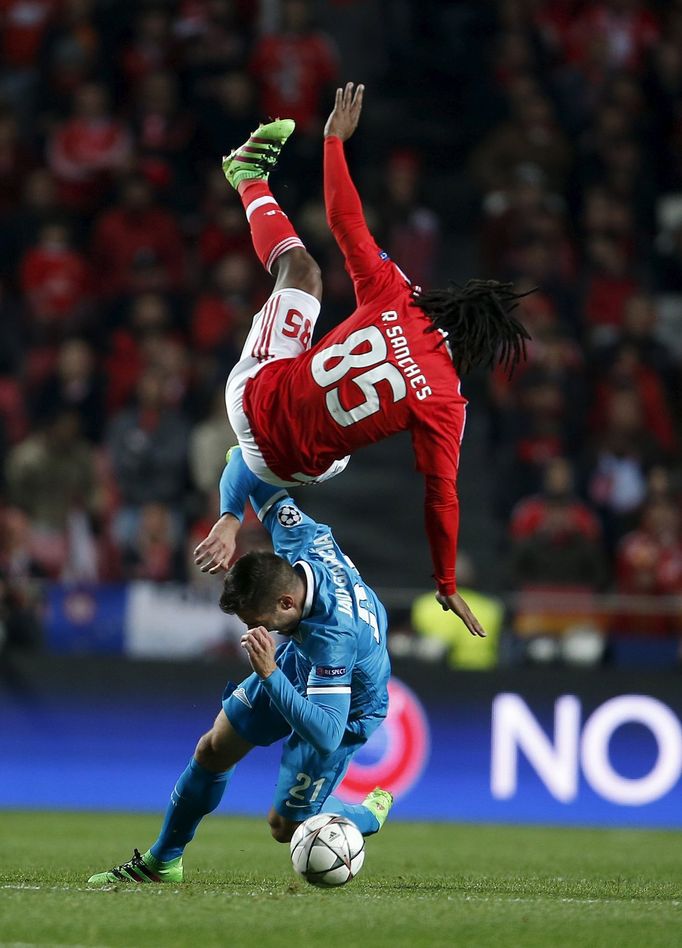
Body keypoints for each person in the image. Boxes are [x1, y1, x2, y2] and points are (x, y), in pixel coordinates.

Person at [195, 83, 530, 637]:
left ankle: (248, 176)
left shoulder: (400, 294)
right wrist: (446, 584)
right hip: (295, 465)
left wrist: (333, 142)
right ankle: (235, 507)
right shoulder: (448, 402)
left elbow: (344, 220)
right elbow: (441, 497)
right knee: (327, 453)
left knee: (302, 274)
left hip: (253, 395)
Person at [88, 446, 393, 884]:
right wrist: (230, 518)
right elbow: (240, 457)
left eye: (257, 621)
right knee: (213, 748)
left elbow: (326, 732)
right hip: (297, 663)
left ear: (287, 603)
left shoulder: (333, 635)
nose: (252, 629)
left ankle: (366, 814)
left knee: (285, 826)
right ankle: (163, 862)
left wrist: (269, 672)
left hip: (348, 705)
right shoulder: (300, 541)